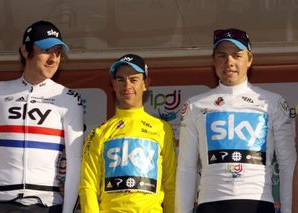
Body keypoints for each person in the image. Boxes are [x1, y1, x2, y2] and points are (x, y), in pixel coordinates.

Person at [175, 28, 297, 213]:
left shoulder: (273, 102)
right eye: (222, 55)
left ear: (249, 60)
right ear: (214, 61)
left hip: (258, 203)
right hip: (210, 204)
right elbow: (186, 167)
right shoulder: (195, 105)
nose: (229, 62)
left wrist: (289, 211)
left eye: (236, 55)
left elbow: (288, 163)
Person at [0, 20, 84, 213]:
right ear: (25, 50)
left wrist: (68, 210)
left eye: (58, 52)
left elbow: (74, 162)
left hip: (46, 202)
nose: (54, 58)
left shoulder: (68, 98)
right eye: (47, 50)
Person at [79, 54, 176, 212]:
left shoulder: (162, 129)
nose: (127, 85)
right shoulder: (99, 133)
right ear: (113, 85)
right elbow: (88, 186)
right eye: (121, 79)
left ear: (146, 84)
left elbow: (171, 184)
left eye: (134, 79)